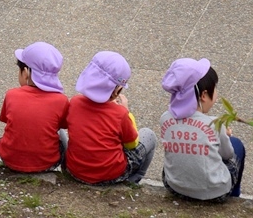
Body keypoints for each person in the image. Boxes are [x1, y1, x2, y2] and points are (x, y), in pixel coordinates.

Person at [64, 50, 156, 185]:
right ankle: (134, 179)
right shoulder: (120, 114)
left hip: (75, 172)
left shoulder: (74, 102)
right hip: (110, 175)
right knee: (149, 135)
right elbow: (132, 144)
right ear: (117, 91)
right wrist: (126, 112)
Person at [160, 58, 245, 200]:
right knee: (237, 145)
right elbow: (227, 155)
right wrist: (225, 136)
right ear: (204, 95)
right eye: (215, 88)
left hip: (174, 187)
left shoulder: (165, 118)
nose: (217, 93)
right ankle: (234, 195)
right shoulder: (214, 124)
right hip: (216, 193)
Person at [0, 41, 70, 173]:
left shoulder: (11, 94)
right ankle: (66, 170)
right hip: (47, 163)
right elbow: (63, 125)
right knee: (60, 132)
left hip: (9, 160)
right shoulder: (61, 100)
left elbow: (5, 119)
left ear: (25, 72)